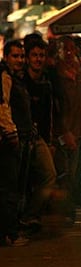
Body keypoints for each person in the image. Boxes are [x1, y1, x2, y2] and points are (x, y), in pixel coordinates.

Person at [20, 36, 58, 233]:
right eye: (34, 55)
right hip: (19, 136)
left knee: (48, 175)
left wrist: (49, 140)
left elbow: (49, 113)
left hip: (39, 137)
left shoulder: (47, 81)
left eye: (41, 55)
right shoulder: (20, 80)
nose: (38, 59)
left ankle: (31, 215)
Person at [53, 36, 81, 225]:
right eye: (64, 49)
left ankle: (69, 208)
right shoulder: (55, 72)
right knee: (64, 172)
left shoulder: (78, 70)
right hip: (63, 130)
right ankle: (66, 211)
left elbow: (80, 103)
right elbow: (58, 106)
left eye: (71, 48)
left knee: (73, 171)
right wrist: (64, 131)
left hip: (78, 128)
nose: (68, 52)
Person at [0, 40, 31, 246]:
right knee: (8, 188)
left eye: (21, 56)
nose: (19, 60)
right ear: (6, 56)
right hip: (6, 140)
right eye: (15, 56)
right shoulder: (4, 77)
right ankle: (10, 233)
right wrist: (11, 133)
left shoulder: (14, 77)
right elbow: (3, 107)